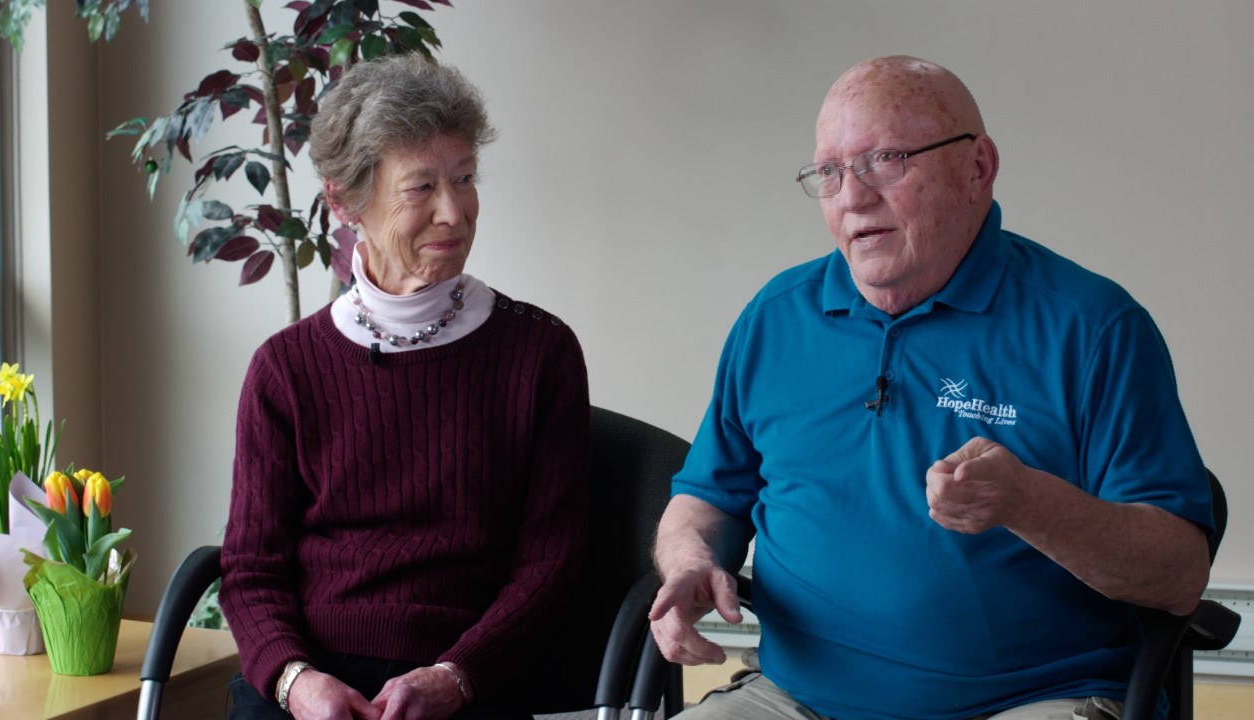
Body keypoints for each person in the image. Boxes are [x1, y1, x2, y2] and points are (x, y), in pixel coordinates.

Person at [649, 55, 1212, 720]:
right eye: (829, 171)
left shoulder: (1093, 328)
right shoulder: (776, 317)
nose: (852, 196)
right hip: (794, 699)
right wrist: (687, 557)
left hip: (1026, 701)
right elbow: (709, 494)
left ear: (977, 168)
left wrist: (1029, 502)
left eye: (885, 159)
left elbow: (1178, 576)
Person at [219, 53, 590, 720]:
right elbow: (251, 570)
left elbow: (550, 566)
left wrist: (457, 676)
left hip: (472, 677)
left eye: (465, 178)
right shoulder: (287, 368)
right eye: (421, 188)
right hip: (313, 677)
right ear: (343, 199)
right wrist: (299, 684)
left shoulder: (540, 353)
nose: (455, 212)